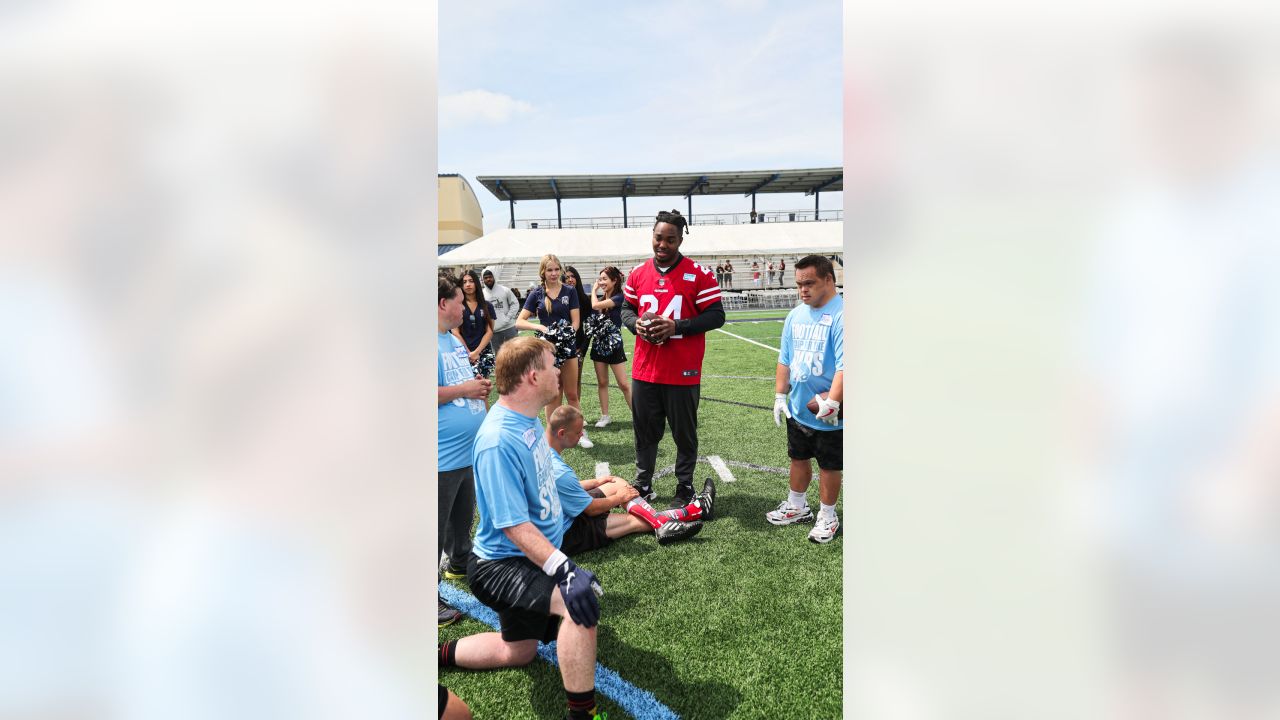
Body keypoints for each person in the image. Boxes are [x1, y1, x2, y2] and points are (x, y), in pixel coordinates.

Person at [437, 337, 605, 720]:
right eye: (552, 365)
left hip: (527, 555)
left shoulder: (527, 419)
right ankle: (582, 715)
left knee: (519, 651)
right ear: (532, 376)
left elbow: (541, 486)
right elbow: (512, 526)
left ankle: (434, 656)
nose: (559, 370)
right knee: (578, 604)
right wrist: (564, 569)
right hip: (503, 563)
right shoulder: (498, 439)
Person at [621, 209, 726, 507]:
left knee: (684, 433)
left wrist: (676, 326)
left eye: (670, 239)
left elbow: (717, 315)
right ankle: (643, 484)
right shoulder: (638, 273)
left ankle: (684, 486)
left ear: (681, 239)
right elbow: (626, 309)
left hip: (683, 370)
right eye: (658, 238)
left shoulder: (699, 274)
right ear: (652, 237)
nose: (662, 245)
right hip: (645, 369)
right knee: (645, 432)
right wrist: (636, 324)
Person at [546, 406, 708, 550]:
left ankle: (662, 520)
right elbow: (591, 509)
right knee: (637, 520)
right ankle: (696, 510)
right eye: (577, 431)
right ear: (562, 433)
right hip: (565, 533)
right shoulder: (561, 473)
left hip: (562, 508)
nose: (582, 434)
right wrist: (619, 498)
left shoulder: (540, 452)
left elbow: (557, 487)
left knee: (615, 482)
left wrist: (596, 482)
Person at [769, 255, 844, 543]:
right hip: (799, 407)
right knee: (798, 457)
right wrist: (779, 395)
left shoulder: (842, 314)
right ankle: (797, 506)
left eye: (809, 283)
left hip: (830, 411)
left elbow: (845, 366)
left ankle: (828, 515)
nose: (803, 290)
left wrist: (833, 402)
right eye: (799, 284)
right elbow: (784, 359)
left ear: (828, 279)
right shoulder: (795, 314)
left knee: (829, 465)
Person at [437, 274, 492, 622]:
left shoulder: (452, 341)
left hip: (464, 453)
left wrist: (475, 387)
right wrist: (466, 391)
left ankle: (459, 564)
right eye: (459, 301)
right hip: (438, 458)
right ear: (443, 303)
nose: (465, 307)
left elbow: (460, 382)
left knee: (462, 518)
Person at [514, 254, 592, 448]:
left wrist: (564, 337)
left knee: (572, 394)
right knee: (553, 395)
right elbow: (519, 321)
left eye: (557, 269)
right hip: (547, 353)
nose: (554, 273)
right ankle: (552, 437)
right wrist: (540, 329)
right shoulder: (536, 294)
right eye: (550, 270)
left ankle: (580, 433)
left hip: (568, 349)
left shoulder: (570, 291)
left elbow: (576, 323)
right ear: (543, 272)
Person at [585, 266, 632, 428]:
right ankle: (605, 416)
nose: (601, 282)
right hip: (598, 344)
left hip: (614, 344)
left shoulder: (619, 297)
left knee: (624, 384)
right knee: (602, 382)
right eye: (600, 279)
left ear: (615, 280)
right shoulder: (604, 298)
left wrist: (593, 291)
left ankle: (638, 415)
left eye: (605, 279)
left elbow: (595, 306)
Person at [451, 269, 496, 382]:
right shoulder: (456, 306)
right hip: (461, 352)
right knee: (466, 386)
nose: (468, 284)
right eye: (464, 282)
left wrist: (477, 352)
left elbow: (490, 331)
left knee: (483, 387)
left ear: (476, 283)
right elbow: (455, 332)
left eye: (471, 281)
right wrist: (468, 352)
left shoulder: (487, 306)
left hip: (483, 352)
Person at [563, 266, 594, 407]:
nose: (570, 279)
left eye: (573, 276)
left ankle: (575, 412)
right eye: (567, 277)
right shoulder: (560, 298)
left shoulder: (585, 300)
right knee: (558, 382)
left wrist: (582, 348)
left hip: (579, 346)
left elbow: (589, 328)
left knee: (576, 380)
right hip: (561, 345)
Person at [481, 267, 520, 357]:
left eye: (490, 277)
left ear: (494, 276)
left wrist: (507, 318)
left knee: (517, 354)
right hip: (493, 332)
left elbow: (515, 304)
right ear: (483, 279)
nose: (488, 279)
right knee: (499, 357)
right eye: (486, 278)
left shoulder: (505, 290)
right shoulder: (481, 294)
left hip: (509, 328)